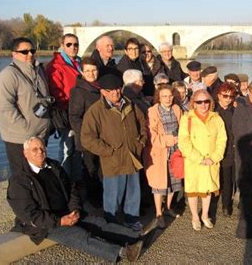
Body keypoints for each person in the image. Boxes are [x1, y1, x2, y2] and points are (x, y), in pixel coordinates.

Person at [7, 137, 145, 262]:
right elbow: (28, 214)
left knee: (100, 223)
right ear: (25, 154)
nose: (40, 152)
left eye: (42, 148)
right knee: (80, 236)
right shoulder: (19, 180)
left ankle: (136, 236)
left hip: (67, 212)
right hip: (46, 224)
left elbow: (72, 189)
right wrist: (60, 221)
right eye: (34, 149)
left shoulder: (54, 167)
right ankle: (123, 252)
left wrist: (75, 209)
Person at [81, 74, 147, 230]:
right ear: (103, 92)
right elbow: (87, 138)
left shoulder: (130, 104)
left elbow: (142, 122)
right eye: (110, 91)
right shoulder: (95, 111)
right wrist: (107, 151)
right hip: (113, 159)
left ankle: (132, 220)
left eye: (118, 89)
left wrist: (141, 142)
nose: (115, 93)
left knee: (133, 192)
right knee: (112, 195)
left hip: (132, 156)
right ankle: (111, 224)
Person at [0, 37, 50, 176]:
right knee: (23, 177)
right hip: (20, 138)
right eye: (25, 52)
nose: (30, 54)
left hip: (41, 135)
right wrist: (27, 131)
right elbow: (6, 108)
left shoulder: (39, 71)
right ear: (14, 54)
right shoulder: (8, 75)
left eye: (32, 50)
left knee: (40, 175)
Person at [178, 90, 227, 231]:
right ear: (193, 103)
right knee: (193, 191)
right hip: (194, 162)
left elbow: (222, 139)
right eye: (199, 102)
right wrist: (199, 159)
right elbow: (183, 142)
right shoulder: (187, 118)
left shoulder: (216, 118)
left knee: (207, 191)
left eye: (206, 101)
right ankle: (194, 217)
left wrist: (215, 157)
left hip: (211, 161)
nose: (203, 105)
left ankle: (205, 215)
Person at [144, 85, 182, 230]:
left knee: (174, 181)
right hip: (159, 152)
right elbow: (151, 136)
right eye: (164, 96)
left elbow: (182, 126)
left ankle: (168, 207)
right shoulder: (153, 111)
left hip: (175, 151)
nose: (168, 99)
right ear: (159, 97)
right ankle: (159, 214)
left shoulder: (177, 109)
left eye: (170, 96)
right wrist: (169, 140)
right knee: (159, 185)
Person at [46, 34, 82, 177]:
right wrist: (70, 108)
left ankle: (78, 180)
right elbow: (57, 92)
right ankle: (66, 181)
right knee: (68, 148)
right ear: (62, 45)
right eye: (69, 44)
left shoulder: (79, 63)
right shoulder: (55, 65)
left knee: (78, 147)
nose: (73, 47)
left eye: (75, 44)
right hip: (67, 113)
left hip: (80, 112)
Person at [68, 57, 102, 207]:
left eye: (94, 70)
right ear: (82, 72)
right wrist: (87, 135)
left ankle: (101, 198)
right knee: (90, 169)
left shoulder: (100, 87)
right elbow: (74, 117)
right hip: (88, 139)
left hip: (102, 137)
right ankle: (93, 202)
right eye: (87, 70)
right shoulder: (78, 91)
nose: (91, 73)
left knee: (100, 169)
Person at [215, 83, 238, 216]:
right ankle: (221, 204)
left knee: (230, 177)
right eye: (225, 96)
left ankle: (227, 203)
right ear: (219, 95)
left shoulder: (235, 110)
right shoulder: (213, 111)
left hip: (231, 148)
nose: (228, 99)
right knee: (222, 178)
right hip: (218, 148)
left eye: (231, 96)